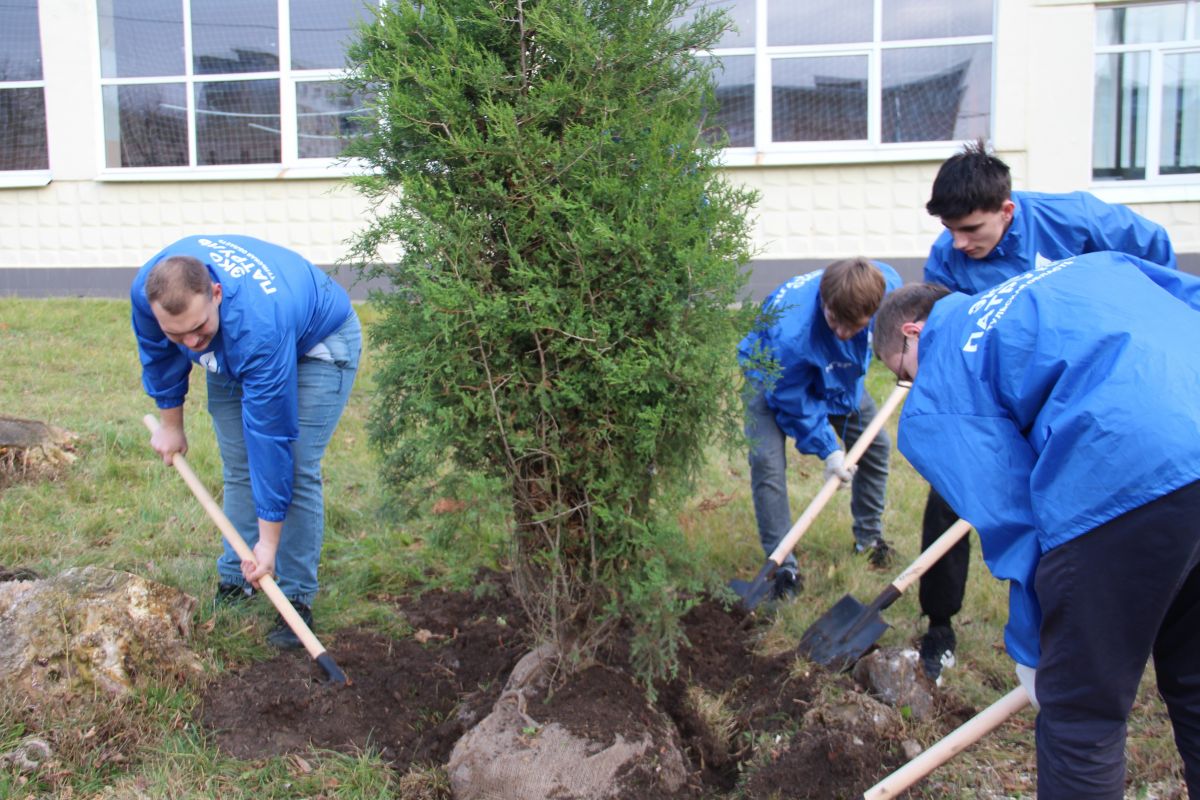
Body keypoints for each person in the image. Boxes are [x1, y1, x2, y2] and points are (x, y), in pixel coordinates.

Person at [872, 252, 1200, 800]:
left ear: (913, 332)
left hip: (1120, 479)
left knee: (1082, 718)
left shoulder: (944, 372)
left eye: (902, 373)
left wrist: (1035, 654)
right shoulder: (1090, 266)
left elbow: (1018, 529)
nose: (911, 386)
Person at [914, 139, 1177, 679]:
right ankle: (940, 623)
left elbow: (1153, 249)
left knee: (1077, 504)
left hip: (1086, 387)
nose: (958, 244)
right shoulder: (948, 259)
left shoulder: (1074, 220)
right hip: (1004, 395)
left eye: (972, 230)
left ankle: (1090, 627)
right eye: (950, 230)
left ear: (1007, 211)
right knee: (951, 489)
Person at [131, 235, 362, 650]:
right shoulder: (148, 293)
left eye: (198, 328)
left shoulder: (257, 325)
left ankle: (293, 595)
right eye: (176, 333)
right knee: (238, 463)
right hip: (242, 339)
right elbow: (159, 355)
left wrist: (269, 540)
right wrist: (171, 424)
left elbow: (270, 436)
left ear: (215, 293)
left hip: (319, 341)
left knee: (292, 465)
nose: (191, 344)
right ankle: (238, 577)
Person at [738, 257, 903, 601]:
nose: (843, 333)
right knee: (767, 463)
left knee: (875, 445)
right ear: (824, 303)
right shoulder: (791, 332)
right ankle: (783, 566)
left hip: (838, 375)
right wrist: (829, 450)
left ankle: (868, 540)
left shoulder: (887, 287)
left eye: (854, 328)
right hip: (771, 372)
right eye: (835, 322)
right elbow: (793, 401)